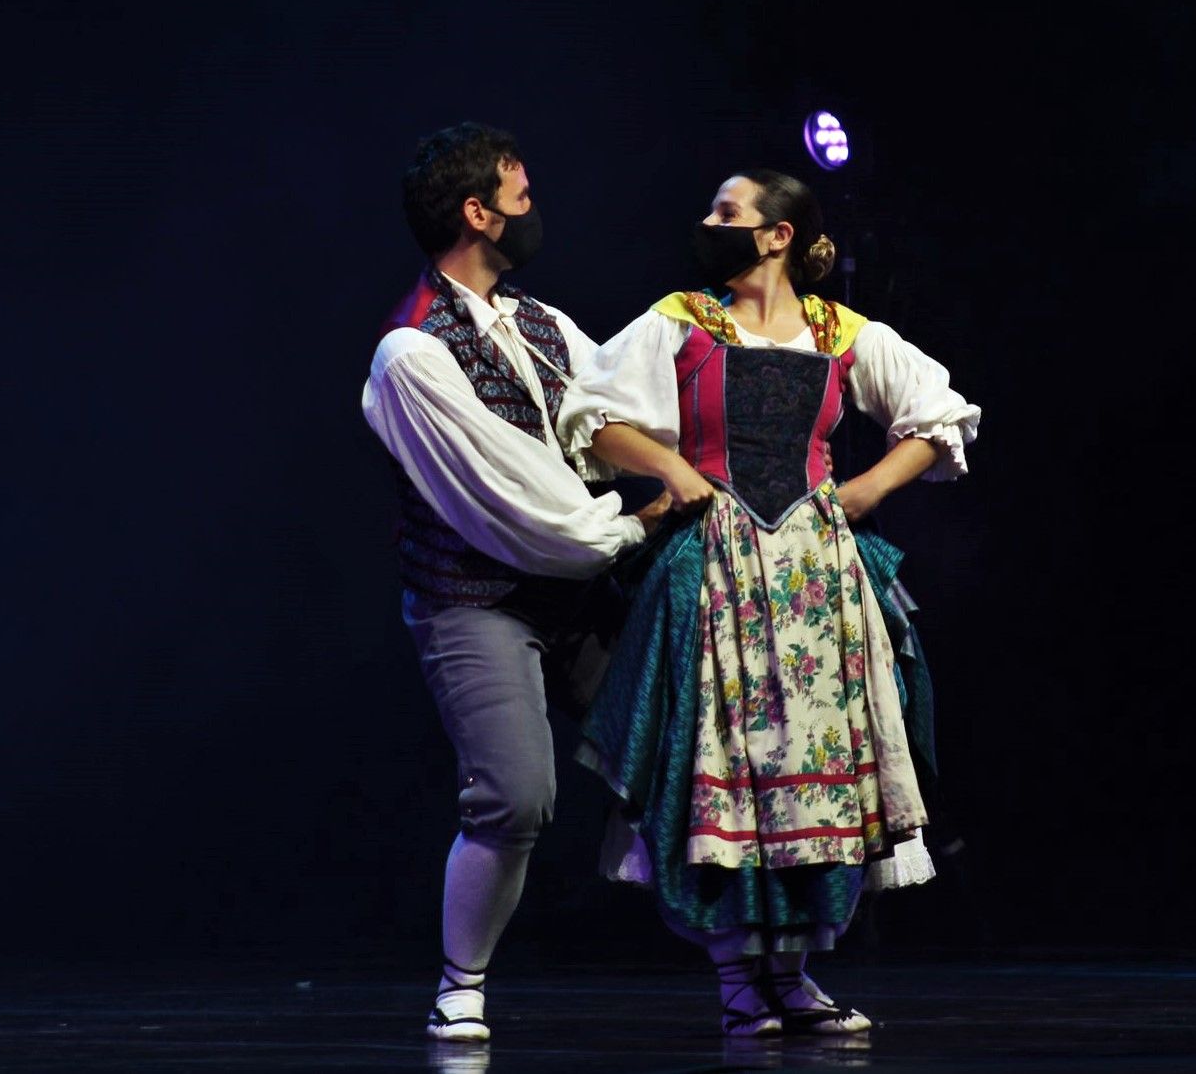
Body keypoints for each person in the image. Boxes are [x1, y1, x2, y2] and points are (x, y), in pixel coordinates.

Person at [556, 168, 981, 1036]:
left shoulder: (840, 331)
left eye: (727, 211)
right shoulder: (682, 320)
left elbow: (938, 415)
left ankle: (792, 973)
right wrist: (673, 467)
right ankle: (737, 978)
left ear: (778, 234)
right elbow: (593, 415)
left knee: (815, 768)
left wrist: (862, 493)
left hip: (816, 579)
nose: (709, 221)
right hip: (719, 568)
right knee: (729, 766)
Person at [360, 121, 668, 1044]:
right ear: (476, 212)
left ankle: (765, 980)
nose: (534, 205)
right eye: (520, 192)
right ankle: (461, 983)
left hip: (572, 585)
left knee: (684, 746)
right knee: (517, 794)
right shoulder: (413, 351)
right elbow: (521, 508)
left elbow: (610, 403)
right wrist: (637, 519)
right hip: (476, 595)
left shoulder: (537, 321)